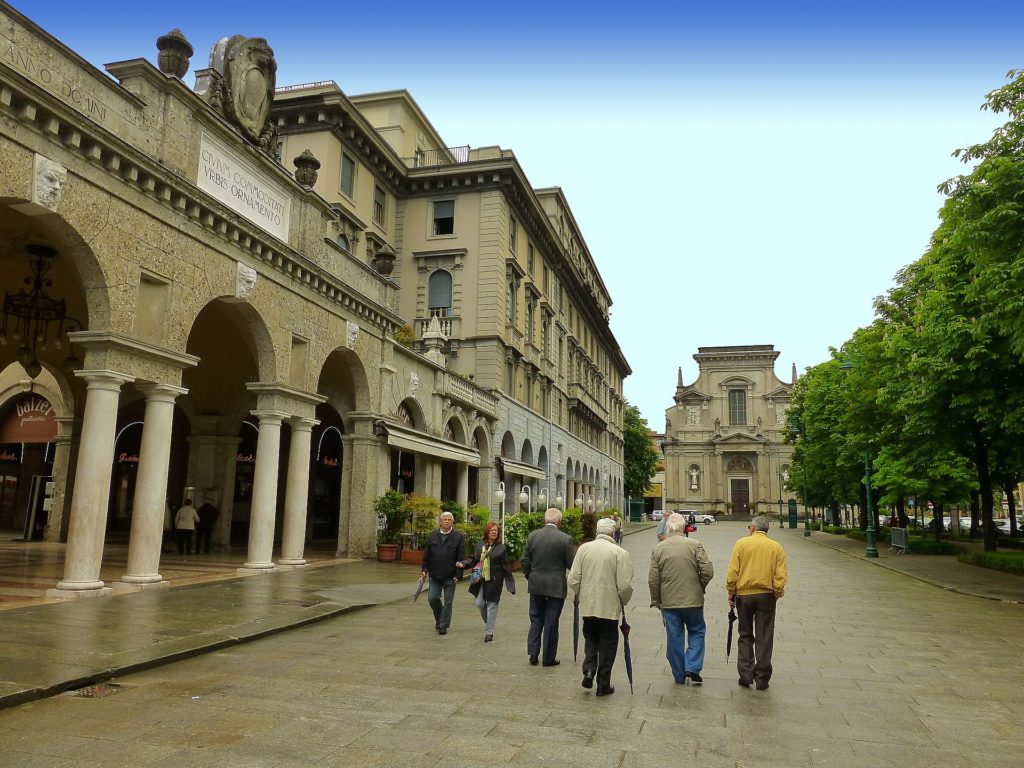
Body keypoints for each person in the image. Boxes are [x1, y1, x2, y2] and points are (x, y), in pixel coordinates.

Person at [569, 517, 634, 696]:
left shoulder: (583, 549)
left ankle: (589, 669)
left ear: (597, 532)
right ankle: (603, 684)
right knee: (608, 643)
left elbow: (573, 579)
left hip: (588, 605)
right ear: (613, 533)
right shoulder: (620, 553)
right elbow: (624, 585)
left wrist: (581, 594)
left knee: (590, 639)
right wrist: (623, 601)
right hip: (609, 606)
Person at [648, 513, 714, 685]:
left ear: (668, 528)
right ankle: (692, 666)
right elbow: (708, 571)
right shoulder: (695, 545)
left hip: (669, 602)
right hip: (693, 600)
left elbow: (653, 579)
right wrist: (700, 587)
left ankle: (678, 674)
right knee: (697, 631)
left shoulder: (659, 548)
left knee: (674, 636)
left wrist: (656, 600)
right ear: (684, 527)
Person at [726, 515, 788, 691]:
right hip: (766, 595)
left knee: (745, 634)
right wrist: (776, 593)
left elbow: (732, 572)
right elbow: (781, 576)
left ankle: (745, 675)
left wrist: (731, 591)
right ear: (766, 530)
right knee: (765, 637)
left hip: (744, 596)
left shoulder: (741, 544)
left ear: (752, 529)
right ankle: (762, 679)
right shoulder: (776, 547)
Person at [522, 507, 575, 666]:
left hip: (536, 584)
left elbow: (525, 560)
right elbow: (571, 563)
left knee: (536, 618)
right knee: (551, 621)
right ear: (560, 522)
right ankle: (548, 658)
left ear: (545, 520)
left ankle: (533, 653)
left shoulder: (533, 536)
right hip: (556, 586)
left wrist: (530, 575)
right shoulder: (565, 539)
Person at [458, 521, 512, 642]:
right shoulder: (479, 545)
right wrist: (463, 564)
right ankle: (489, 621)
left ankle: (489, 632)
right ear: (487, 532)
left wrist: (509, 582)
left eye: (496, 531)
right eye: (492, 530)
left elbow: (506, 565)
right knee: (479, 603)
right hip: (480, 578)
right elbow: (474, 560)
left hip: (494, 580)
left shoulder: (501, 548)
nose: (494, 532)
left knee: (492, 605)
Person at [421, 511, 466, 635]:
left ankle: (443, 625)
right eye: (444, 519)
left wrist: (458, 574)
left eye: (449, 520)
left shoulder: (458, 536)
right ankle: (441, 618)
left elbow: (461, 557)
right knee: (433, 598)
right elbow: (427, 554)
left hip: (450, 575)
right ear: (440, 522)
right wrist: (424, 569)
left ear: (452, 522)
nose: (446, 521)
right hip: (435, 574)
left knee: (448, 601)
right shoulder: (433, 535)